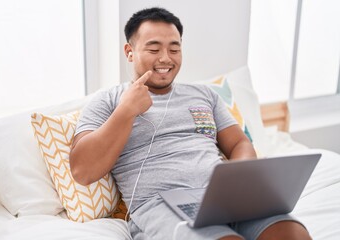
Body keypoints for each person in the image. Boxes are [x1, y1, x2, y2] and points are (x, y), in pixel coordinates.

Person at [70, 7, 311, 240]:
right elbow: (83, 171)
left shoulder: (205, 95)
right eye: (153, 49)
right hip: (160, 206)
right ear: (130, 51)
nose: (165, 58)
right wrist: (126, 110)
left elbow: (239, 142)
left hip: (223, 198)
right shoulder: (109, 100)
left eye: (174, 49)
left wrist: (238, 184)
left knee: (291, 233)